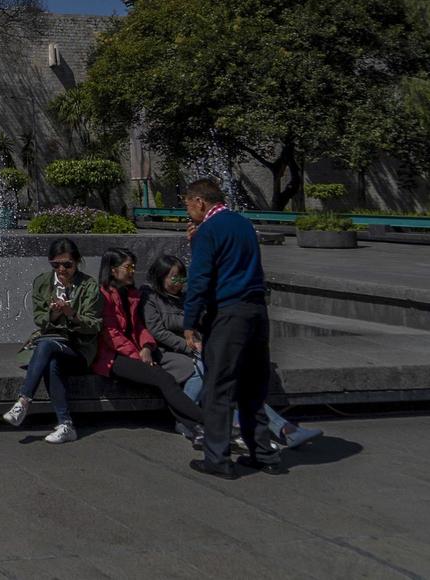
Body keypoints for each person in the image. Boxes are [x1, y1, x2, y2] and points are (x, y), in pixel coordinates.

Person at [143, 254, 322, 450]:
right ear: (160, 277)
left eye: (182, 278)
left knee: (232, 384)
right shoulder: (151, 298)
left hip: (197, 350)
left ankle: (282, 429)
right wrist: (190, 346)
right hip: (170, 353)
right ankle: (250, 427)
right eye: (174, 277)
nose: (179, 283)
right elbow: (157, 331)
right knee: (214, 376)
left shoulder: (187, 298)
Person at [182, 179, 283, 478]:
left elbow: (200, 280)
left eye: (188, 206)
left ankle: (217, 458)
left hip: (228, 314)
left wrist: (190, 322)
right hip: (256, 312)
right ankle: (264, 455)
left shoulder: (208, 230)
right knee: (253, 386)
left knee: (219, 388)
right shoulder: (242, 223)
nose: (188, 213)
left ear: (200, 202)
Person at [93, 248, 206, 443]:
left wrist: (146, 346)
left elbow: (138, 327)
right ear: (113, 270)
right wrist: (138, 355)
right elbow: (111, 334)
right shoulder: (103, 295)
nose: (132, 271)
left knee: (164, 379)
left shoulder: (132, 294)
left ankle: (196, 425)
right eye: (128, 267)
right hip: (112, 357)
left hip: (137, 351)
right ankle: (205, 422)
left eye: (134, 267)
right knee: (163, 378)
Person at [2, 238, 101, 443]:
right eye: (55, 265)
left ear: (77, 262)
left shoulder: (89, 285)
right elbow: (39, 319)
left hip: (79, 347)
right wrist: (54, 315)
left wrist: (71, 314)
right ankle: (66, 425)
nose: (61, 270)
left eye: (67, 265)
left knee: (47, 346)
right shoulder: (42, 282)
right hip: (53, 343)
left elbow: (94, 325)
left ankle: (24, 401)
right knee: (52, 363)